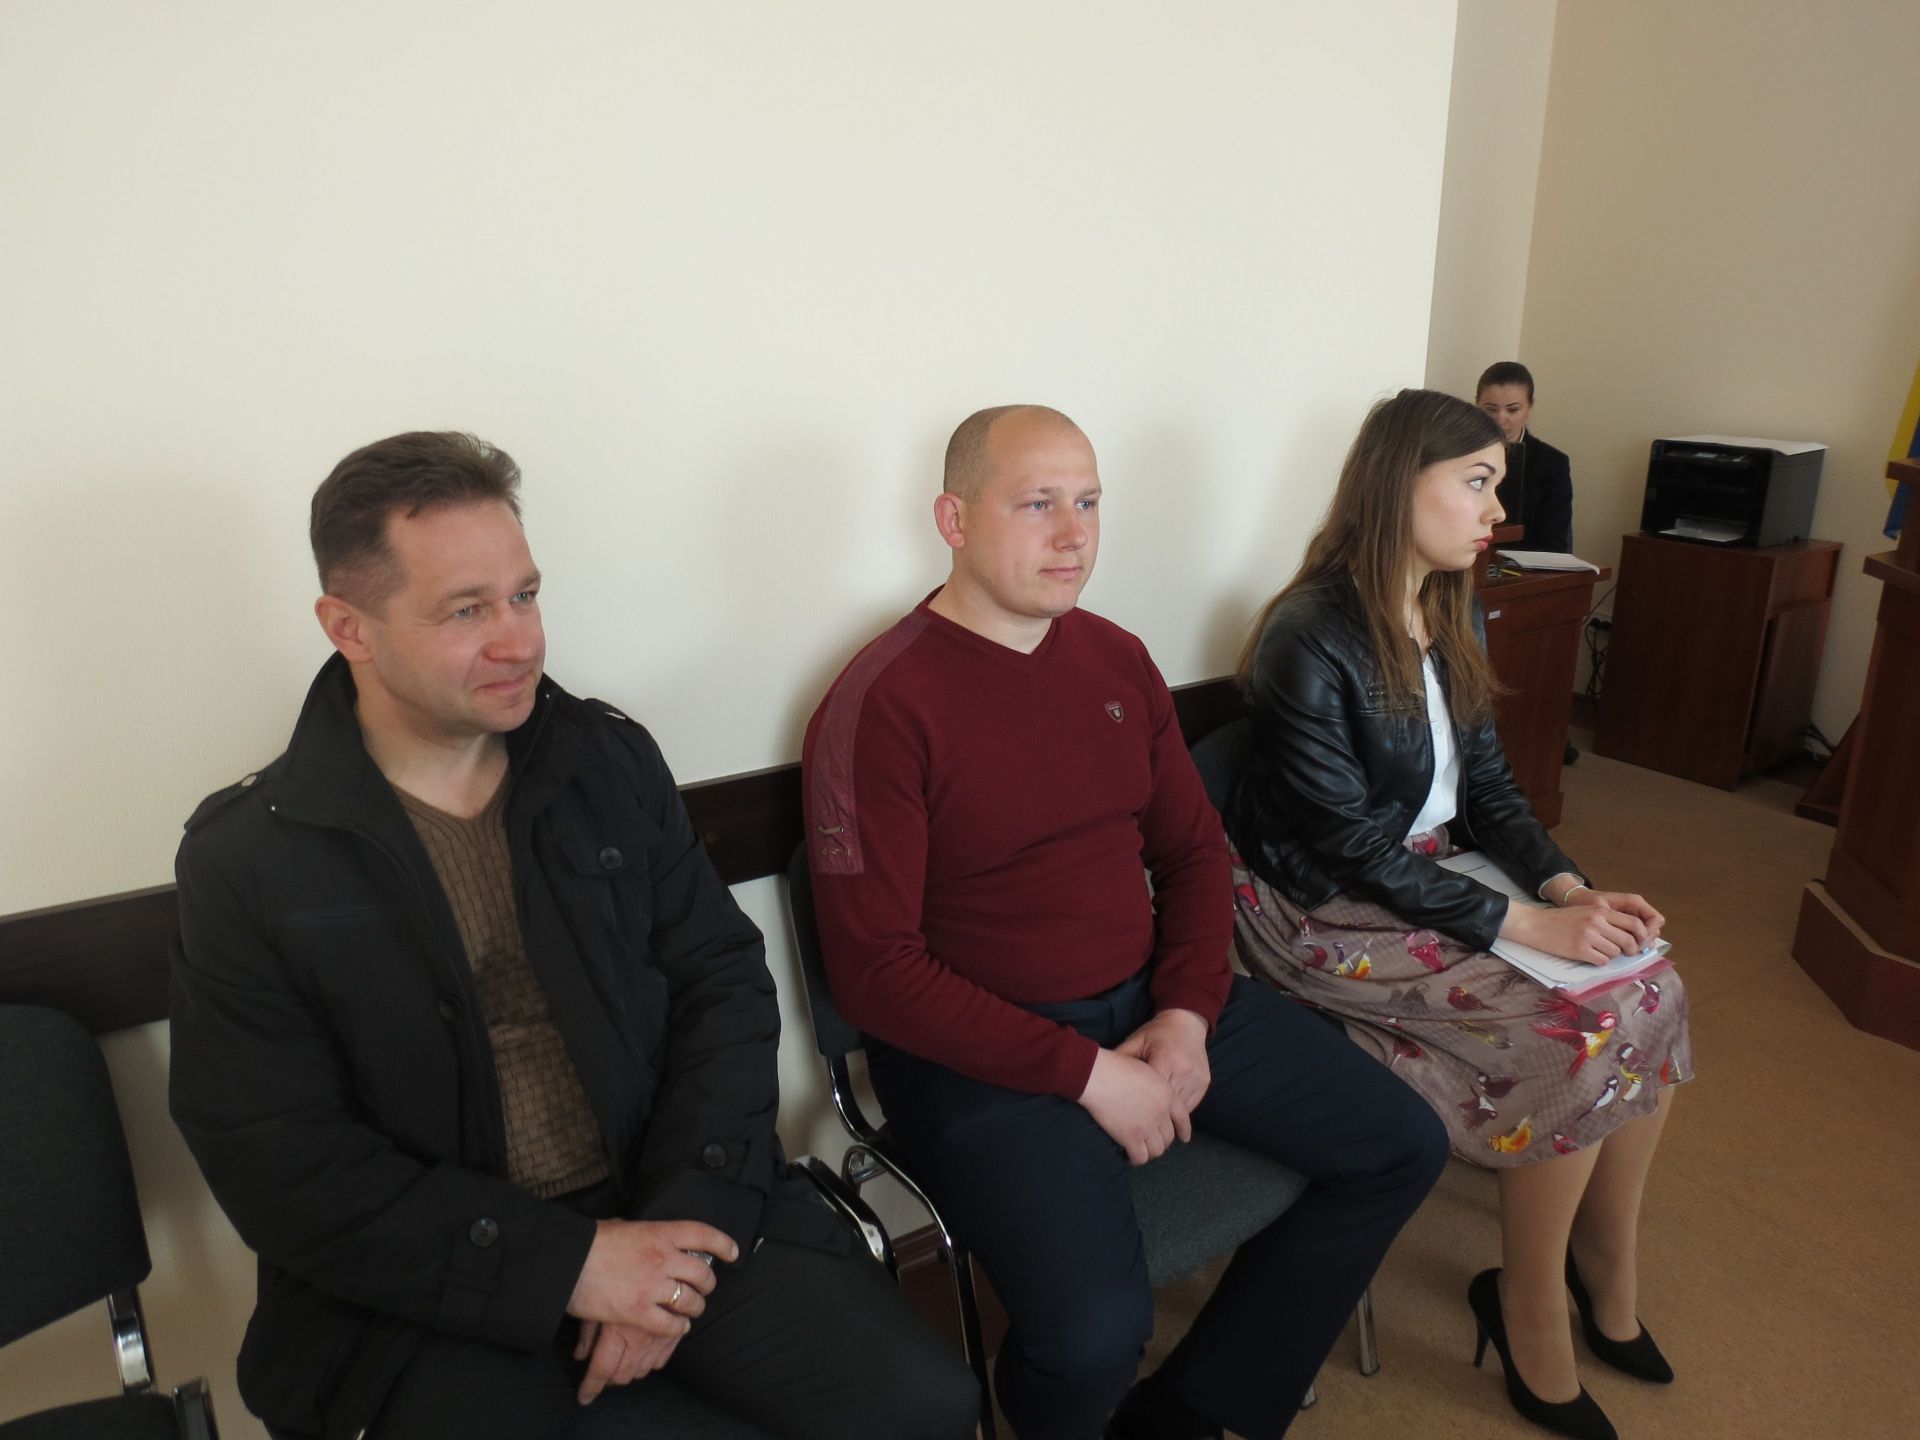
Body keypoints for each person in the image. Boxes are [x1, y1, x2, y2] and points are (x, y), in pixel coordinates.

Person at [168, 431, 979, 1440]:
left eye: (525, 595)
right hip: (429, 1291)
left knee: (926, 1406)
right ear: (349, 627)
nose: (520, 641)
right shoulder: (250, 858)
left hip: (668, 1194)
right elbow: (280, 1160)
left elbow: (723, 985)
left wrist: (673, 1240)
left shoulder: (605, 762)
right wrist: (573, 1267)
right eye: (468, 610)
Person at [801, 405, 1448, 1440]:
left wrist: (1186, 1016)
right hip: (986, 1052)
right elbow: (877, 976)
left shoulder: (1114, 659)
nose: (1074, 535)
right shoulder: (879, 701)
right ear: (954, 521)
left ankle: (1189, 1413)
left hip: (1151, 1000)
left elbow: (1191, 855)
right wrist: (1089, 1076)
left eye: (1090, 503)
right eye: (1038, 504)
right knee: (1094, 1336)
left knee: (1400, 1143)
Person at [1225, 389, 1692, 1440]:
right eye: (1477, 482)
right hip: (1321, 909)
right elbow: (1351, 849)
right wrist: (1524, 926)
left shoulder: (1450, 607)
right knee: (1579, 1030)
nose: (1496, 510)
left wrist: (1567, 889)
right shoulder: (1308, 634)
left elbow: (1491, 789)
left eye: (1498, 485)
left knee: (1653, 983)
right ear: (1401, 482)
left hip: (1433, 872)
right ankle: (1525, 1307)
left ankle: (1602, 1262)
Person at [1478, 360, 1573, 554]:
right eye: (1491, 409)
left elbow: (1554, 545)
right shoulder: (1456, 454)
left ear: (1530, 407)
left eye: (1512, 409)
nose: (1500, 419)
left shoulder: (1552, 464)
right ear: (1476, 405)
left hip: (1520, 564)